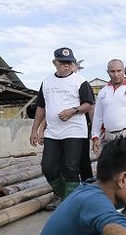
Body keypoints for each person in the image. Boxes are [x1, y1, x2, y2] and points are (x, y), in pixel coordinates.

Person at [29, 47, 95, 204]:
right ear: (55, 62)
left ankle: (68, 202)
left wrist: (73, 110)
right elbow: (41, 107)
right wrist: (35, 130)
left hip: (75, 132)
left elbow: (89, 104)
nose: (67, 65)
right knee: (48, 167)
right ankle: (64, 194)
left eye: (70, 62)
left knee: (70, 168)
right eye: (63, 62)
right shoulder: (46, 82)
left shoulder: (80, 81)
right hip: (53, 132)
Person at [91, 59, 126, 157]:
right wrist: (95, 136)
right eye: (112, 71)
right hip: (109, 137)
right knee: (112, 168)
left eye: (119, 71)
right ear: (108, 72)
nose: (116, 74)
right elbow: (98, 116)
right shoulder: (103, 92)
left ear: (124, 71)